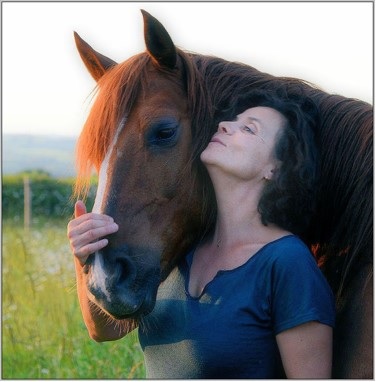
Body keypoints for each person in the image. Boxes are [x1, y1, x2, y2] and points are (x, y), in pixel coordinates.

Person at [67, 87, 335, 378]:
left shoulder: (287, 262)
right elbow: (104, 330)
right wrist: (86, 258)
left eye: (248, 128)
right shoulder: (181, 246)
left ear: (275, 168)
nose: (224, 125)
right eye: (232, 120)